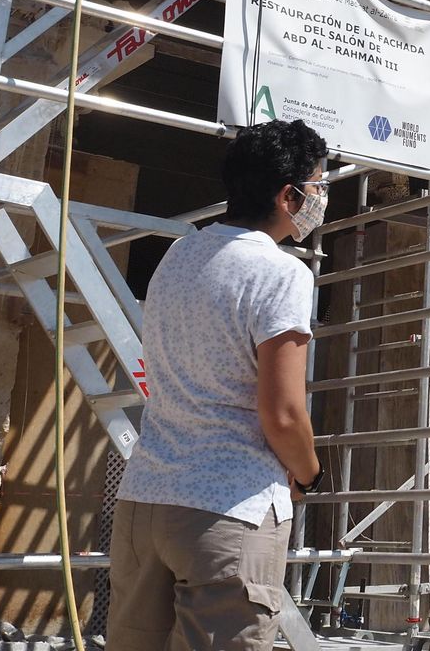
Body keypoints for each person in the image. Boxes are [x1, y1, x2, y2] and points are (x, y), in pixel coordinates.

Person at [108, 119, 329, 651]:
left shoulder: (178, 256)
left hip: (146, 498)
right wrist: (310, 474)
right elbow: (282, 413)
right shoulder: (281, 272)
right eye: (318, 186)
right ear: (287, 195)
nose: (321, 199)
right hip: (230, 507)